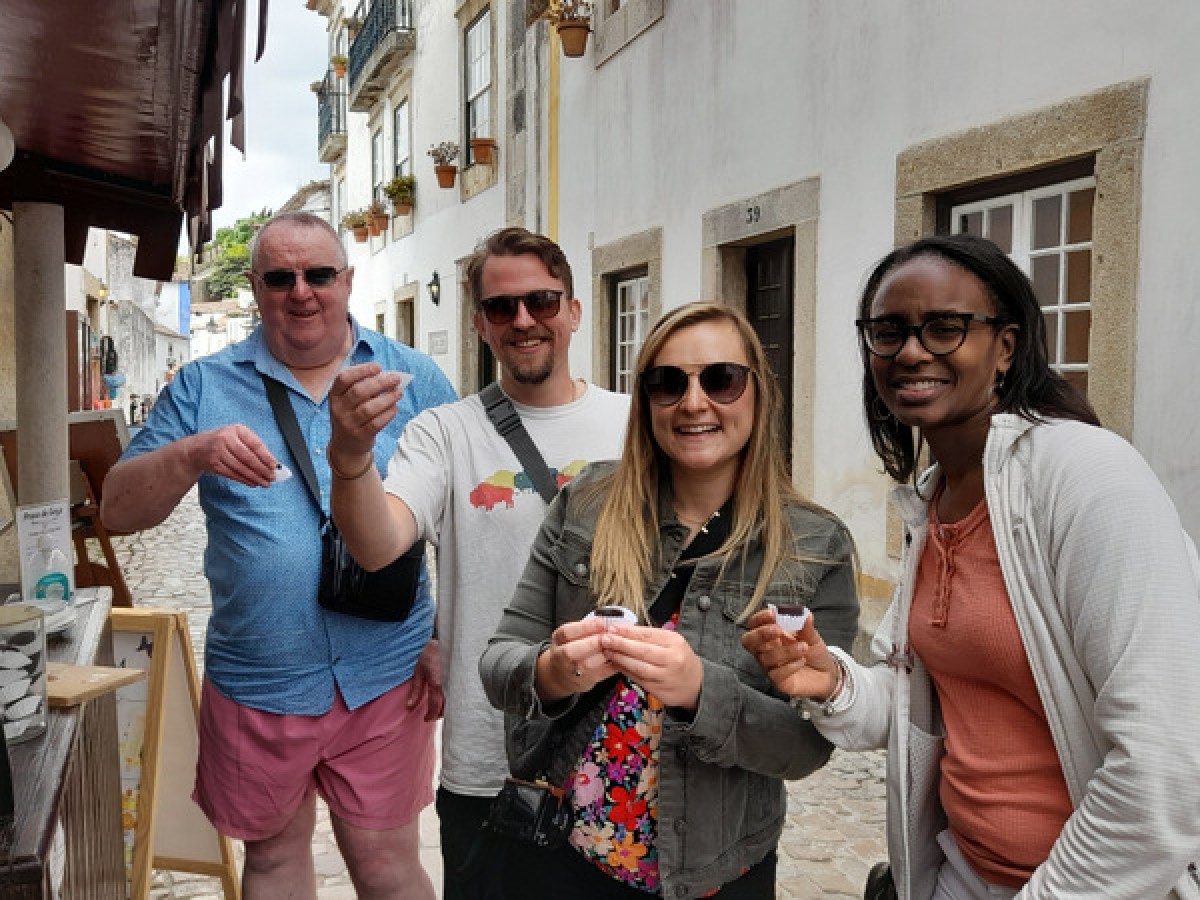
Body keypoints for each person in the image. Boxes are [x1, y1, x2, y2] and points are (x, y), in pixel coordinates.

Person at [742, 234, 1200, 900]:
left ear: (1006, 347)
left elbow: (1163, 765)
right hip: (959, 876)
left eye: (945, 328)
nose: (911, 351)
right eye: (888, 330)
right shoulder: (937, 497)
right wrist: (832, 681)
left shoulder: (1086, 475)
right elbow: (926, 708)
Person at [100, 211, 457, 900]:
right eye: (280, 277)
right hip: (260, 678)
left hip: (386, 673)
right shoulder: (204, 386)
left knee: (387, 866)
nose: (301, 292)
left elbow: (462, 522)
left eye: (319, 274)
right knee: (272, 864)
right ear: (256, 287)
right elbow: (118, 510)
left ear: (346, 281)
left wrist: (446, 637)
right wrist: (191, 452)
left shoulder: (411, 379)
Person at [478, 302, 861, 899]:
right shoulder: (586, 504)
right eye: (667, 382)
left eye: (721, 378)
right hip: (565, 856)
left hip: (717, 873)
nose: (694, 402)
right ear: (646, 402)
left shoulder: (814, 544)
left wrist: (702, 692)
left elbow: (808, 745)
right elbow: (498, 661)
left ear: (758, 394)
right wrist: (553, 671)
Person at [325, 226, 632, 899]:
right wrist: (349, 458)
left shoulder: (635, 424)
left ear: (574, 311)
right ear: (481, 326)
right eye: (502, 308)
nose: (523, 320)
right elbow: (379, 544)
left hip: (622, 756)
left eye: (542, 302)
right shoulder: (444, 432)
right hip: (492, 765)